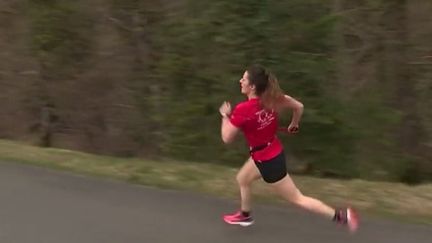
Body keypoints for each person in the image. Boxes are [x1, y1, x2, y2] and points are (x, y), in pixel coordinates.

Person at [219, 64, 359, 232]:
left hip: (268, 162)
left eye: (244, 79)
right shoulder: (274, 98)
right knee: (242, 179)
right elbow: (299, 106)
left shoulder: (243, 109)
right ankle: (245, 215)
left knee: (298, 198)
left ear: (252, 87)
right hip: (269, 153)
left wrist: (225, 116)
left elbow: (226, 137)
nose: (240, 81)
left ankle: (342, 217)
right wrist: (294, 124)